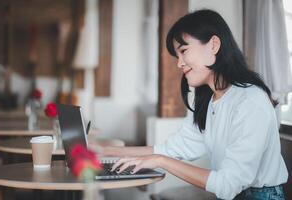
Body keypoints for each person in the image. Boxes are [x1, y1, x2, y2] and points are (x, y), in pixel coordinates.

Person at [95, 9, 288, 199]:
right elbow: (170, 149)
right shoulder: (209, 100)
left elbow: (227, 184)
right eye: (177, 56)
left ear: (213, 45)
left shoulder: (250, 100)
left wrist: (161, 161)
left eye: (184, 51)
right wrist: (104, 151)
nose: (179, 63)